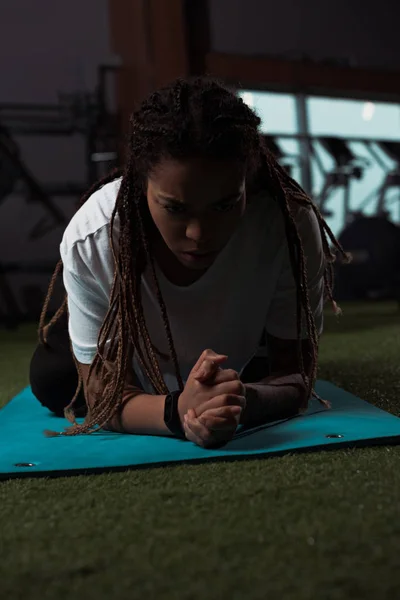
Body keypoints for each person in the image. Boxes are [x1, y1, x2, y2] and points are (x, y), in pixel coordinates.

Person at [29, 76, 349, 449]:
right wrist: (179, 412)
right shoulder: (96, 234)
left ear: (248, 181)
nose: (199, 233)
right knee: (54, 381)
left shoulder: (288, 221)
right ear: (141, 185)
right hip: (124, 325)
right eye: (175, 208)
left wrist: (236, 404)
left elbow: (296, 376)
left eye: (225, 205)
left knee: (250, 380)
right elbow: (103, 399)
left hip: (243, 340)